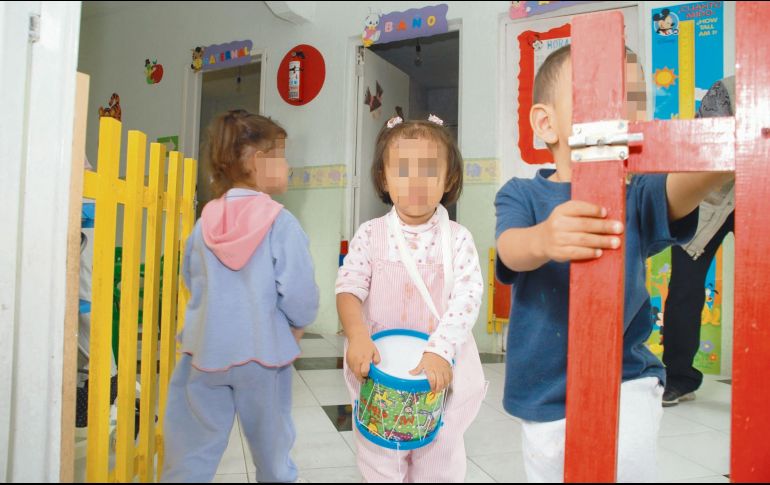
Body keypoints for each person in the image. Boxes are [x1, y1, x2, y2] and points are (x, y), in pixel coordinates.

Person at [494, 45, 733, 482]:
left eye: (636, 102)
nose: (628, 114)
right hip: (543, 389)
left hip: (625, 377)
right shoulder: (521, 194)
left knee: (622, 468)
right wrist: (544, 238)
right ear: (546, 123)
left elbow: (683, 189)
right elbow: (509, 249)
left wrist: (720, 141)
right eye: (608, 96)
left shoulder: (637, 191)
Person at [161, 110, 319, 483]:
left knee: (193, 445)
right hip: (262, 356)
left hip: (205, 354)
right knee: (272, 445)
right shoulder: (280, 222)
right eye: (281, 156)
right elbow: (300, 292)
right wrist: (297, 325)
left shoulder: (204, 221)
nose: (288, 166)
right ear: (256, 162)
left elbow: (191, 278)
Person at [336, 113, 486, 482]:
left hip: (439, 371)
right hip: (381, 370)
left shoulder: (458, 238)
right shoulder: (370, 235)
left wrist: (440, 350)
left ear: (449, 178)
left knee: (440, 457)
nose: (415, 180)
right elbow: (348, 288)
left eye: (429, 169)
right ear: (383, 179)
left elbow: (468, 297)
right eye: (402, 169)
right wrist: (357, 335)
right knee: (379, 457)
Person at [662, 77, 735, 406]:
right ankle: (679, 378)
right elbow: (703, 146)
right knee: (684, 289)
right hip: (710, 199)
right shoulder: (727, 89)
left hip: (760, 198)